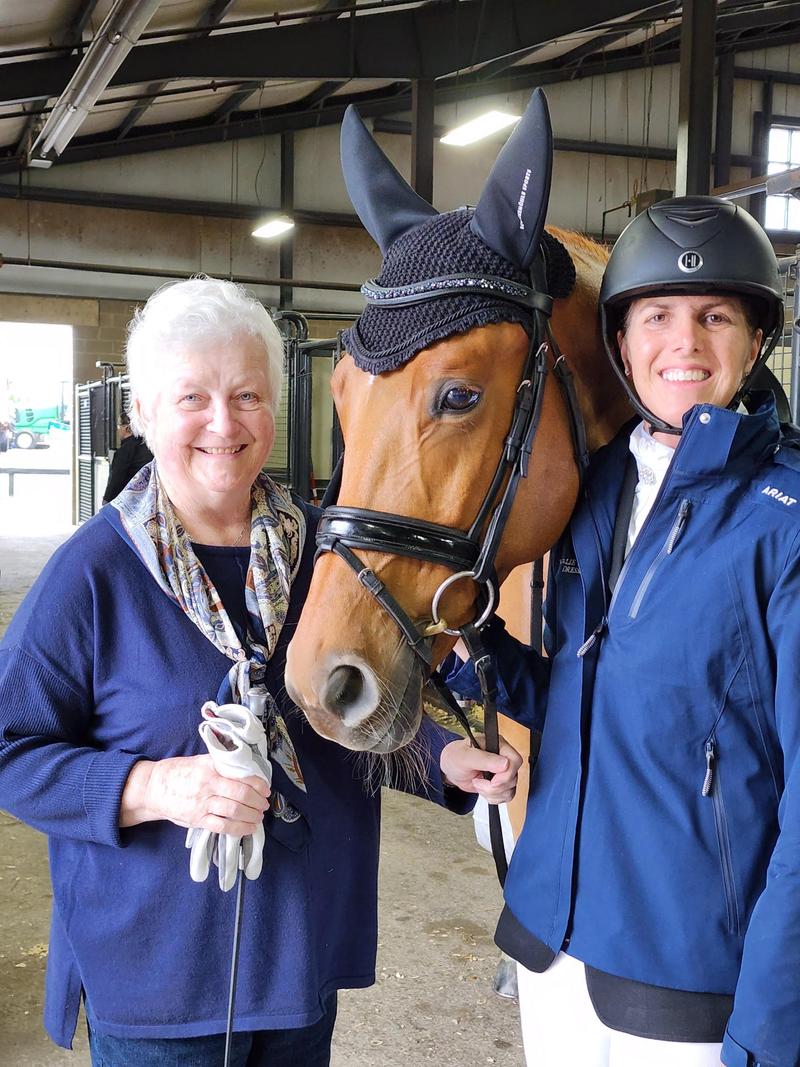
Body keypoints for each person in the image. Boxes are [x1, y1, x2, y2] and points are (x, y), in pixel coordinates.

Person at [0, 276, 520, 1067]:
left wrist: (441, 755)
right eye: (192, 398)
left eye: (247, 394)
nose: (223, 422)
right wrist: (160, 787)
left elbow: (347, 706)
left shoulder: (328, 555)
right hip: (157, 982)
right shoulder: (94, 573)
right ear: (141, 414)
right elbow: (12, 749)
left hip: (297, 954)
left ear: (274, 409)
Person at [448, 196, 798, 1067]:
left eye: (714, 315)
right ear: (622, 342)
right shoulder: (594, 487)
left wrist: (771, 1021)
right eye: (657, 316)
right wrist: (474, 650)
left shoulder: (786, 519)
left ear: (755, 341)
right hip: (552, 942)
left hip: (688, 979)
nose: (683, 342)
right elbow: (580, 694)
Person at [102, 411, 153, 503]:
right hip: (148, 499)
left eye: (118, 426)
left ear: (126, 428)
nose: (117, 430)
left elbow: (117, 477)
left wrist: (107, 499)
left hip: (129, 500)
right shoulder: (148, 446)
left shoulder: (125, 450)